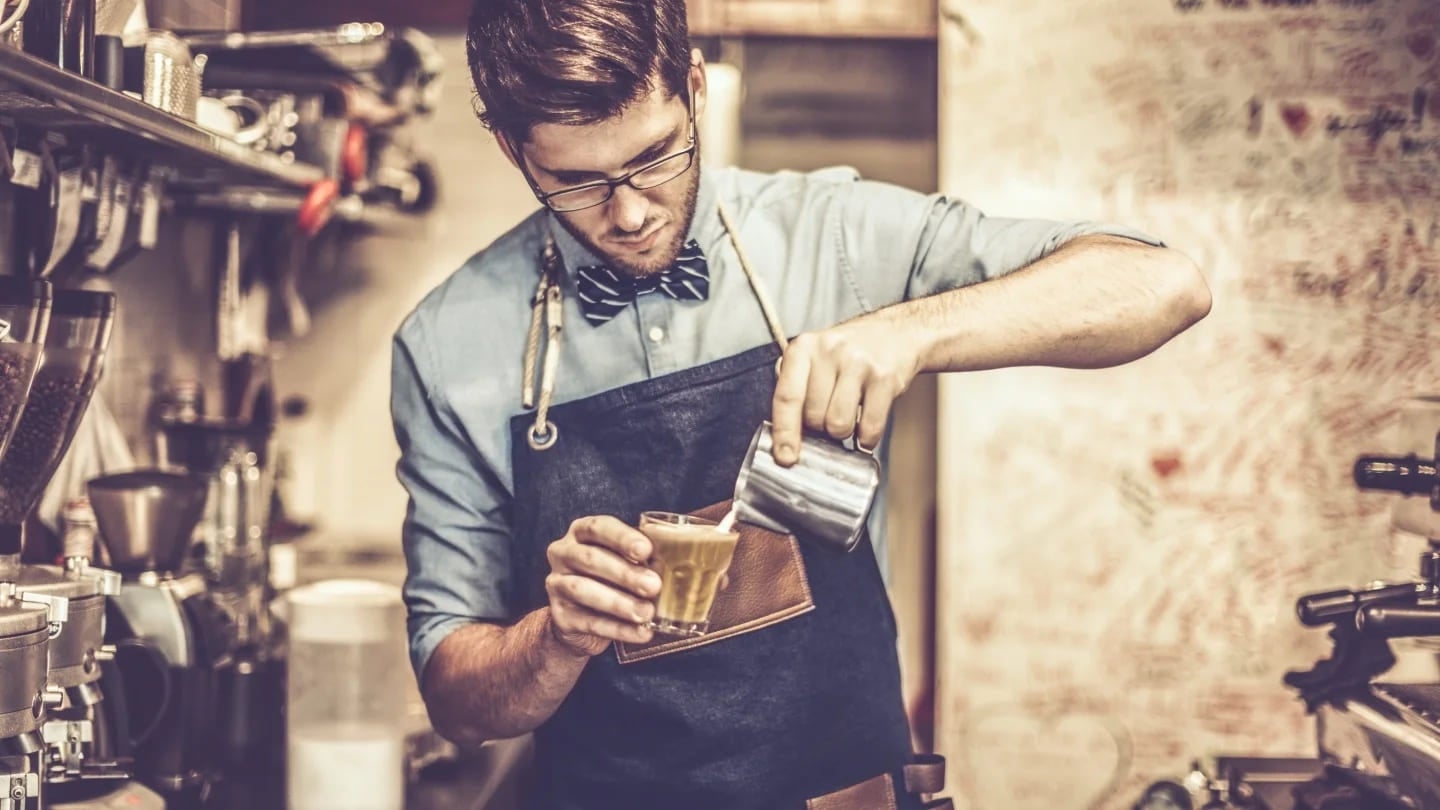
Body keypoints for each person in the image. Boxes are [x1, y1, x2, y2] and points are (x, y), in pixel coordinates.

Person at [389, 1, 1212, 808]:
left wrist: (913, 331)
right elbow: (457, 704)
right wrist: (553, 640)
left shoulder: (834, 234)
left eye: (656, 156)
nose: (630, 213)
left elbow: (1164, 286)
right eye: (577, 182)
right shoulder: (447, 349)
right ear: (513, 149)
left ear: (694, 88)